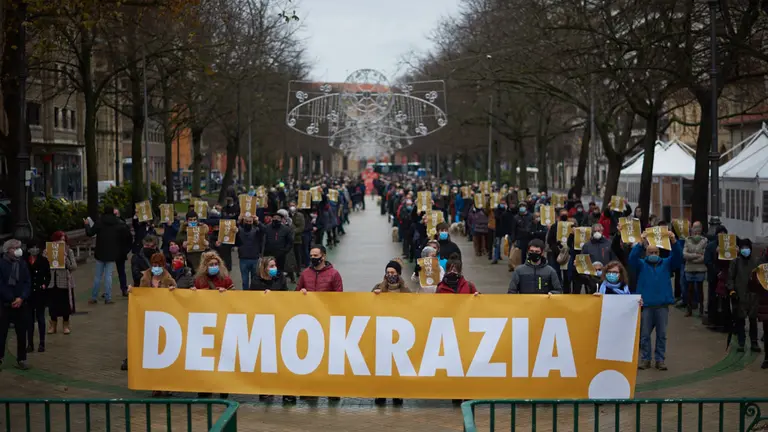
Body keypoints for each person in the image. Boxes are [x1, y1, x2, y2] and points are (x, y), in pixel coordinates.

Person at [629, 229, 681, 371]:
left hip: (662, 306)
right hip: (646, 306)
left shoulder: (666, 264)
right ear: (646, 253)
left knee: (662, 335)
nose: (653, 255)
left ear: (659, 253)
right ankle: (645, 359)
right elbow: (631, 259)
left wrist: (674, 242)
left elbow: (678, 257)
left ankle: (660, 359)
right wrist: (640, 243)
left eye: (655, 252)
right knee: (644, 335)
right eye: (650, 252)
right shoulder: (641, 264)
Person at [85, 205, 130, 304]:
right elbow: (125, 234)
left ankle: (94, 297)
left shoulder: (100, 222)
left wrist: (87, 224)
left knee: (97, 276)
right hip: (112, 253)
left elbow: (90, 233)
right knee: (108, 276)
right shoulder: (117, 223)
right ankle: (108, 298)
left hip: (100, 252)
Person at [0, 239, 32, 370]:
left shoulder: (22, 264)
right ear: (8, 250)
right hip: (5, 304)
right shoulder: (2, 264)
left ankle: (22, 358)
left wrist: (21, 298)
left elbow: (27, 282)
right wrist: (11, 298)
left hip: (21, 304)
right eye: (14, 248)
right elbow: (1, 284)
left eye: (19, 247)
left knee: (21, 332)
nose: (18, 250)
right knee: (2, 332)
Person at [728, 238, 761, 353]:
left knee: (753, 321)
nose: (745, 250)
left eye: (747, 247)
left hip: (753, 296)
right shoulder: (735, 262)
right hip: (740, 296)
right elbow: (730, 278)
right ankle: (741, 343)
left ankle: (754, 343)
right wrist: (732, 291)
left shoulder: (756, 262)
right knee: (740, 321)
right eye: (743, 248)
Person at [45, 231, 77, 334]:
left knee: (65, 305)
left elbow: (73, 267)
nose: (61, 242)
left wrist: (65, 259)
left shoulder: (69, 251)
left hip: (64, 282)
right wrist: (46, 258)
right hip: (52, 281)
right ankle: (53, 324)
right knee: (52, 305)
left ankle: (66, 324)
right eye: (59, 239)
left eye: (63, 240)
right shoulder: (47, 251)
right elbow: (43, 267)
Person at [26, 241, 50, 352]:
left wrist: (45, 284)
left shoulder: (44, 261)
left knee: (40, 318)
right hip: (29, 294)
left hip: (40, 293)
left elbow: (48, 275)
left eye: (36, 247)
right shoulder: (25, 261)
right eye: (32, 247)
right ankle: (30, 344)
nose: (35, 249)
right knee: (29, 320)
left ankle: (42, 343)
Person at [683, 221, 708, 317]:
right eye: (694, 227)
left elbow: (704, 256)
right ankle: (689, 309)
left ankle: (701, 309)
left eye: (698, 227)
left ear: (701, 228)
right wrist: (697, 255)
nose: (696, 229)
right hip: (689, 268)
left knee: (700, 289)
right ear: (692, 229)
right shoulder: (687, 240)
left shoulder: (705, 240)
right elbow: (685, 254)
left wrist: (692, 258)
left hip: (700, 268)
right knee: (689, 289)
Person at [236, 215, 264, 291]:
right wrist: (238, 222)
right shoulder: (238, 230)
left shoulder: (257, 230)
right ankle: (245, 295)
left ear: (253, 222)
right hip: (243, 259)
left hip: (255, 259)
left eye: (250, 221)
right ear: (243, 221)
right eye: (246, 221)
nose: (248, 223)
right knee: (245, 281)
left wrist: (258, 222)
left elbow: (264, 230)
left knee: (254, 280)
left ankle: (253, 294)